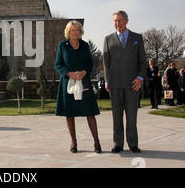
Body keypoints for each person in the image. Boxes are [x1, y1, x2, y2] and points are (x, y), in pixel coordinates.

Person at [103, 10, 146, 153]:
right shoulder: (108, 39)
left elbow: (143, 61)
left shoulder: (137, 38)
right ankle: (118, 144)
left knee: (132, 115)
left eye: (120, 20)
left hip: (132, 84)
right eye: (115, 21)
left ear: (127, 21)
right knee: (116, 116)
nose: (117, 23)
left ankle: (133, 143)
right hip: (114, 84)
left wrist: (140, 78)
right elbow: (106, 62)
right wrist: (107, 81)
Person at [55, 20, 101, 154]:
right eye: (72, 30)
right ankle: (74, 142)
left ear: (80, 32)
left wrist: (84, 72)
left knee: (90, 113)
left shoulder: (85, 45)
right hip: (68, 83)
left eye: (77, 30)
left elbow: (90, 63)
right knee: (69, 114)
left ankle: (97, 142)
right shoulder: (62, 45)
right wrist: (68, 73)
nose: (75, 33)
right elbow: (58, 65)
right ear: (68, 32)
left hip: (84, 83)